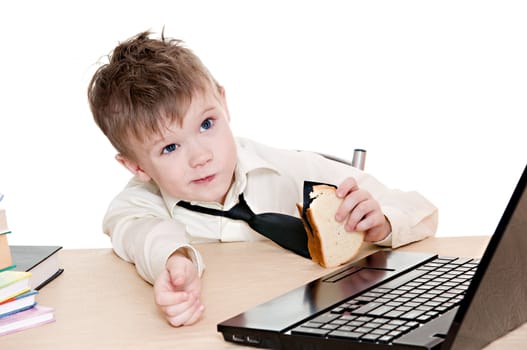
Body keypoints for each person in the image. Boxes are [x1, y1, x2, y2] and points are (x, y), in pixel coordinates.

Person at [87, 30, 438, 328]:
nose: (200, 157)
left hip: (316, 319)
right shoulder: (137, 204)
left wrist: (382, 223)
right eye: (170, 147)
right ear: (136, 167)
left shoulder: (283, 167)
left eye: (206, 124)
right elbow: (143, 234)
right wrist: (175, 261)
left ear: (223, 103)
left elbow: (420, 210)